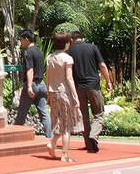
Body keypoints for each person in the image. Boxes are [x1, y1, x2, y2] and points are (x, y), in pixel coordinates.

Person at [69, 31, 112, 154]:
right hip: (93, 86)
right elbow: (102, 65)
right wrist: (108, 81)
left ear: (72, 40)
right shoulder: (92, 48)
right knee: (98, 113)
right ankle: (93, 135)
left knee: (84, 116)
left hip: (78, 87)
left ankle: (89, 144)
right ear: (83, 38)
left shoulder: (70, 51)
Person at [45, 32, 81, 161]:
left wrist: (48, 94)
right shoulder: (67, 58)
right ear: (67, 44)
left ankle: (52, 143)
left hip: (53, 92)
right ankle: (65, 154)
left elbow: (48, 77)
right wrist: (75, 96)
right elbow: (69, 78)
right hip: (64, 92)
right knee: (66, 125)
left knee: (58, 121)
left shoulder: (50, 58)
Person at [13, 29, 51, 134]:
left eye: (21, 40)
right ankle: (50, 137)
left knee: (22, 112)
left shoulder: (28, 52)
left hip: (32, 84)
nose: (21, 42)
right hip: (41, 84)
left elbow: (30, 70)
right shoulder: (39, 51)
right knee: (44, 113)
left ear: (26, 39)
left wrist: (29, 86)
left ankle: (14, 134)